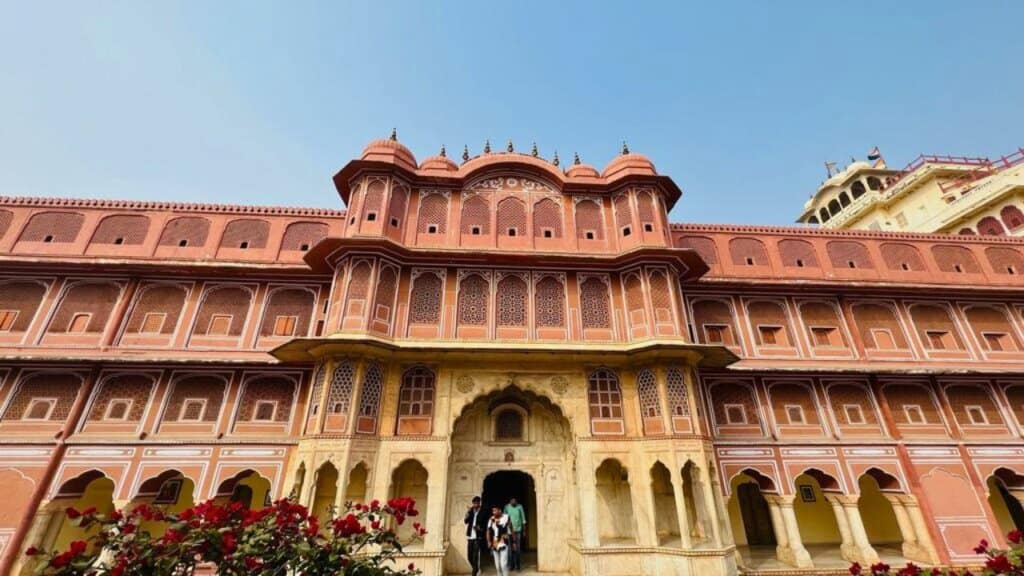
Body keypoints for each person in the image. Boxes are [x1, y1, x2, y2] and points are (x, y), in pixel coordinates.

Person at [464, 496, 487, 576]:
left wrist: (479, 528)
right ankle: (476, 568)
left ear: (479, 503)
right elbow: (466, 521)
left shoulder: (483, 512)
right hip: (470, 536)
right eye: (474, 503)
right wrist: (467, 513)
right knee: (469, 556)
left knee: (475, 556)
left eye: (477, 503)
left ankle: (474, 573)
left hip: (478, 537)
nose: (475, 505)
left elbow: (486, 524)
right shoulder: (470, 512)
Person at [487, 504, 513, 576]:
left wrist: (513, 542)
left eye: (495, 510)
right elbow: (488, 531)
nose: (493, 512)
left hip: (504, 541)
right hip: (494, 543)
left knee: (503, 564)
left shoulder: (506, 517)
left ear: (500, 510)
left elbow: (511, 528)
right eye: (493, 511)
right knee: (497, 566)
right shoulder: (491, 519)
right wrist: (489, 541)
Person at [503, 497, 526, 571]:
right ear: (510, 501)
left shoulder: (520, 506)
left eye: (514, 501)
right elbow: (504, 518)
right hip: (509, 531)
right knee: (510, 550)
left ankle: (518, 566)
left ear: (516, 501)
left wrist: (524, 530)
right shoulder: (506, 507)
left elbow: (523, 519)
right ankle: (511, 566)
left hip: (518, 530)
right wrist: (504, 532)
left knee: (517, 549)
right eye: (512, 501)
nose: (513, 502)